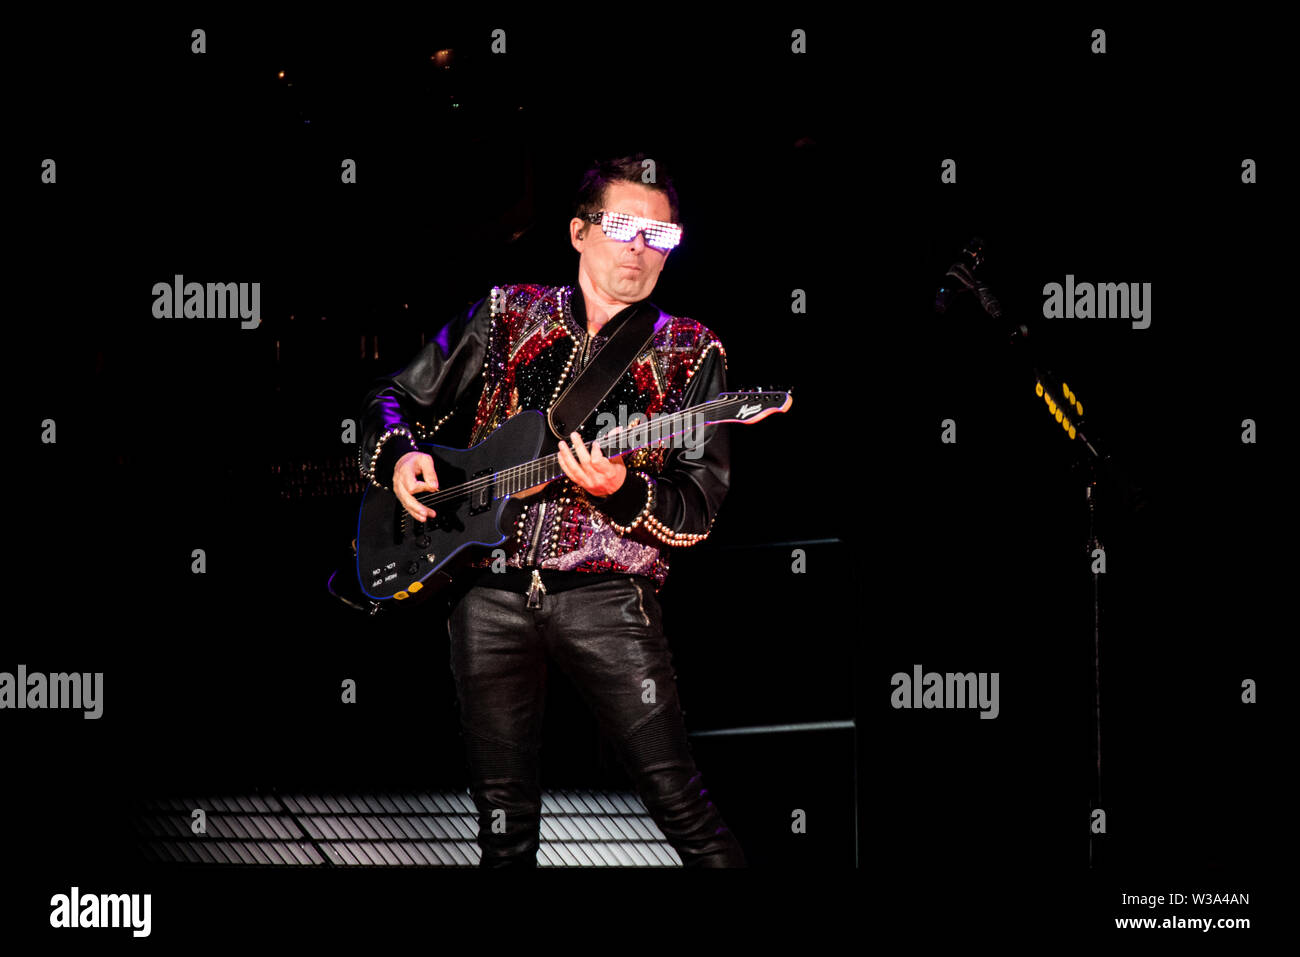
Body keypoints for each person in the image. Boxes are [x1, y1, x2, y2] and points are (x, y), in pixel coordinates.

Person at [358, 154, 746, 867]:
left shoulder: (692, 351)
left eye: (662, 235)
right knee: (504, 830)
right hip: (488, 593)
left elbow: (697, 513)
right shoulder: (508, 311)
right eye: (625, 226)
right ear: (578, 231)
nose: (641, 246)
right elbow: (390, 398)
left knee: (680, 804)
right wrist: (401, 457)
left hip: (609, 597)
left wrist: (621, 491)